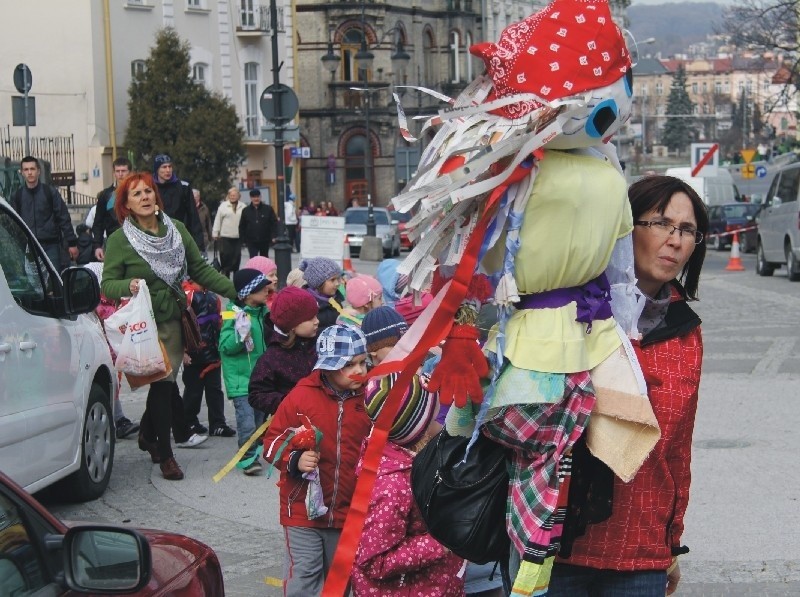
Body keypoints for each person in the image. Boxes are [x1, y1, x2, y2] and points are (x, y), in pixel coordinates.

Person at [549, 175, 708, 596]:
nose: (674, 240)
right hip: (556, 544)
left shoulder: (684, 332)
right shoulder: (573, 306)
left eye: (687, 230)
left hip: (640, 551)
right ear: (625, 225)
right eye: (660, 223)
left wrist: (671, 542)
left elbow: (677, 448)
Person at [101, 171, 236, 481]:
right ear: (127, 205)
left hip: (174, 321)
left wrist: (234, 293)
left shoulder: (176, 230)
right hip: (144, 323)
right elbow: (107, 284)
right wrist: (129, 284)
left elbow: (200, 269)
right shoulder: (120, 240)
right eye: (136, 194)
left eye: (148, 191)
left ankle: (149, 435)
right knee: (162, 385)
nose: (145, 197)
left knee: (164, 383)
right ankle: (166, 454)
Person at [352, 306, 465, 596]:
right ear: (417, 428)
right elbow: (374, 560)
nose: (438, 426)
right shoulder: (392, 484)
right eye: (433, 421)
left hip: (434, 585)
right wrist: (442, 541)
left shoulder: (412, 458)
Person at [262, 324, 372, 596]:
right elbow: (271, 443)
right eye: (349, 365)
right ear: (329, 367)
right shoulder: (301, 396)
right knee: (305, 577)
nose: (359, 371)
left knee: (339, 582)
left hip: (349, 512)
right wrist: (294, 458)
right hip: (302, 511)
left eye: (362, 362)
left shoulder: (371, 398)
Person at [219, 268, 272, 475]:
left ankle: (254, 451)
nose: (267, 291)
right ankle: (248, 459)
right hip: (241, 380)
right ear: (248, 294)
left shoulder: (263, 313)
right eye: (262, 288)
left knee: (259, 421)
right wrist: (240, 336)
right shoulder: (234, 314)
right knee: (247, 422)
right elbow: (225, 347)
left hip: (261, 378)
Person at [81, 261, 140, 441]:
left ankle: (117, 420)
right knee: (109, 385)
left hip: (110, 352)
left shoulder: (102, 303)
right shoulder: (100, 305)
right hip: (104, 352)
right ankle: (116, 421)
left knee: (112, 385)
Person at [249, 286, 319, 416]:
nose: (317, 322)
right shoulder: (272, 357)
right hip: (290, 425)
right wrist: (287, 402)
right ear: (292, 324)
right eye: (311, 318)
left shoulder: (319, 345)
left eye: (316, 316)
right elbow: (256, 394)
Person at [181, 278, 237, 438]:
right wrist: (183, 351)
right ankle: (189, 420)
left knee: (215, 390)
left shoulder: (213, 297)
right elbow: (182, 323)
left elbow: (219, 320)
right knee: (193, 390)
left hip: (213, 352)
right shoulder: (187, 295)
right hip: (194, 353)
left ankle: (218, 423)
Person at [10, 156, 78, 269]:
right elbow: (13, 223)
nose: (30, 172)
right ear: (22, 172)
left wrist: (72, 243)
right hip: (28, 248)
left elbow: (63, 217)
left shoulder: (50, 192)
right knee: (31, 283)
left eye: (32, 169)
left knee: (54, 281)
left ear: (39, 171)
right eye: (26, 170)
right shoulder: (18, 196)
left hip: (50, 246)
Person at [152, 154, 205, 250]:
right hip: (157, 239)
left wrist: (200, 246)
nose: (168, 170)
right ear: (157, 169)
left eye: (170, 166)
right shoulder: (150, 188)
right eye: (164, 167)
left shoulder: (183, 187)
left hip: (180, 238)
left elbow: (193, 216)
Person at [92, 157, 132, 261]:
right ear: (114, 173)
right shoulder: (106, 195)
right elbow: (98, 223)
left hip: (136, 242)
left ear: (130, 172)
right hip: (113, 242)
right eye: (117, 171)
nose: (120, 174)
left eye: (123, 171)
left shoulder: (138, 192)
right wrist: (97, 246)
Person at [298, 257, 345, 333]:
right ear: (318, 283)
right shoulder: (306, 304)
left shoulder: (335, 299)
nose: (337, 283)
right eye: (332, 280)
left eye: (338, 279)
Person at [213, 187, 244, 278]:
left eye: (234, 195)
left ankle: (236, 276)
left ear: (238, 196)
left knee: (237, 257)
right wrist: (215, 232)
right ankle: (226, 276)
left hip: (238, 236)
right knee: (225, 256)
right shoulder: (223, 206)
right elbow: (218, 220)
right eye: (231, 195)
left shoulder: (243, 206)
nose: (232, 197)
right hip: (225, 236)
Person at [239, 188, 277, 258]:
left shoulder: (268, 209)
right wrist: (243, 240)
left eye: (257, 197)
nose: (256, 199)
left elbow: (274, 223)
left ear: (260, 197)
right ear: (251, 198)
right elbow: (242, 226)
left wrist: (273, 236)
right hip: (251, 240)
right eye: (254, 197)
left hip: (265, 239)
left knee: (264, 258)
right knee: (253, 259)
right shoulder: (246, 210)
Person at [194, 189, 213, 255]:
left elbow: (208, 223)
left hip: (203, 237)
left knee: (203, 258)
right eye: (192, 197)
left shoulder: (204, 208)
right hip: (192, 236)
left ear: (199, 197)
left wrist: (210, 237)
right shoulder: (187, 207)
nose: (194, 199)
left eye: (195, 197)